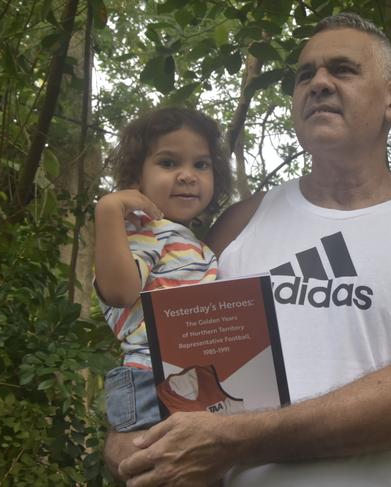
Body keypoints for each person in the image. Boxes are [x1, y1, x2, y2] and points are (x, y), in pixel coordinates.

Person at [108, 13, 391, 487]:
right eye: (305, 75)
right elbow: (167, 353)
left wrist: (239, 439)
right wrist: (132, 439)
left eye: (343, 70)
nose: (319, 83)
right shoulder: (239, 222)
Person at [94, 107, 232, 455]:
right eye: (169, 163)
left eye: (201, 164)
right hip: (149, 379)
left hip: (184, 377)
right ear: (137, 177)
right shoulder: (143, 229)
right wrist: (109, 210)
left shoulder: (189, 241)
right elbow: (119, 292)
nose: (187, 175)